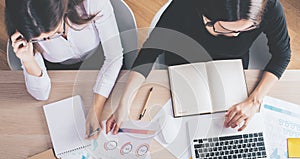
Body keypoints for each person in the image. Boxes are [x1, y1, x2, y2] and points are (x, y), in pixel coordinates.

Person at [106, 0, 291, 134]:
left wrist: (254, 101)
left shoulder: (269, 7)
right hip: (182, 66)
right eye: (226, 30)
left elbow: (282, 55)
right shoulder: (185, 6)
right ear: (206, 15)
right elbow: (149, 52)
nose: (236, 36)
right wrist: (124, 103)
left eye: (245, 30)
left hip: (230, 70)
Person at [5, 0, 123, 138]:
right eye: (41, 40)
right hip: (57, 70)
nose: (49, 41)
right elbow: (41, 95)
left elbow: (114, 58)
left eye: (56, 32)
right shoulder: (24, 28)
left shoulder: (91, 4)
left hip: (100, 57)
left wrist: (96, 110)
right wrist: (28, 60)